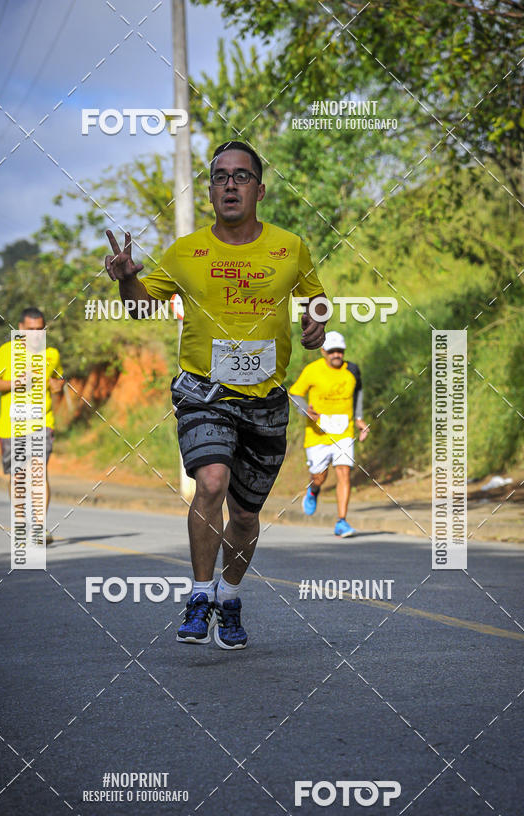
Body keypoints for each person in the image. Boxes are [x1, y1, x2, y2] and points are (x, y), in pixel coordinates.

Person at [105, 140, 327, 649]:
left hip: (266, 400)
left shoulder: (290, 248)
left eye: (241, 176)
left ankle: (229, 597)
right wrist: (127, 281)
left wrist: (314, 322)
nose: (230, 184)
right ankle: (199, 594)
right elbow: (142, 309)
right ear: (209, 191)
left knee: (245, 515)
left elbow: (314, 296)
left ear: (260, 190)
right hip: (205, 391)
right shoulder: (186, 252)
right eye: (220, 176)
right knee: (211, 480)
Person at [0, 307, 64, 544]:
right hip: (12, 426)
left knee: (38, 472)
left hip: (42, 422)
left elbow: (56, 383)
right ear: (20, 329)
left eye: (40, 329)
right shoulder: (6, 351)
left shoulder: (52, 354)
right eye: (31, 330)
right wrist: (16, 382)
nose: (36, 334)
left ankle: (39, 527)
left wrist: (56, 388)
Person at [289, 331, 369, 537]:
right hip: (318, 433)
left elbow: (357, 394)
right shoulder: (312, 370)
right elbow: (295, 393)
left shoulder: (352, 370)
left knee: (344, 472)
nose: (336, 355)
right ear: (323, 351)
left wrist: (359, 419)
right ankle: (314, 490)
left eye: (340, 351)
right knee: (319, 476)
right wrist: (305, 409)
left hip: (344, 431)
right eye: (332, 351)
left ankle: (341, 521)